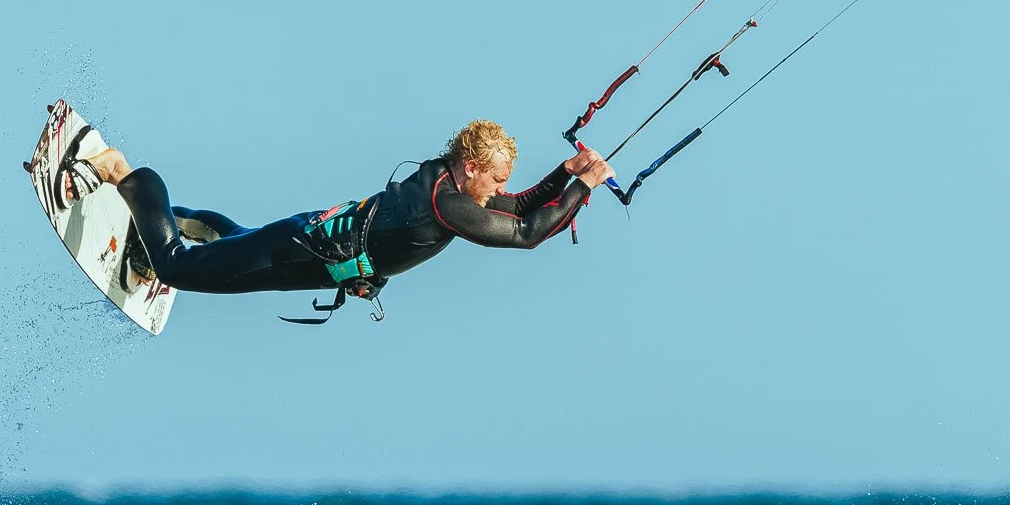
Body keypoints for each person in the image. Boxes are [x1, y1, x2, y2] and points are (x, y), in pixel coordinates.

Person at [60, 119, 615, 306]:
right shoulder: (447, 202)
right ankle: (129, 175)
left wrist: (565, 176)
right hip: (304, 248)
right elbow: (523, 233)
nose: (500, 190)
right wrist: (583, 187)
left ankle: (148, 223)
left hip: (313, 256)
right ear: (471, 167)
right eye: (495, 178)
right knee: (182, 269)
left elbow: (518, 207)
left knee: (234, 239)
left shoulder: (452, 187)